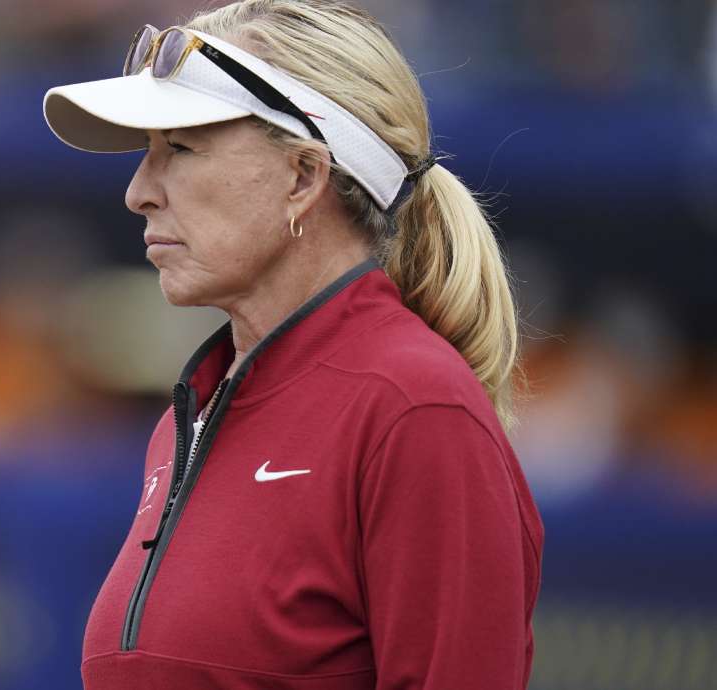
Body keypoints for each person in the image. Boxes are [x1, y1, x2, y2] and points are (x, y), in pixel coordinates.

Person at [41, 1, 544, 689]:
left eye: (179, 149)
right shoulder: (184, 422)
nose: (138, 192)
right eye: (146, 155)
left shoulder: (415, 409)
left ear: (304, 177)